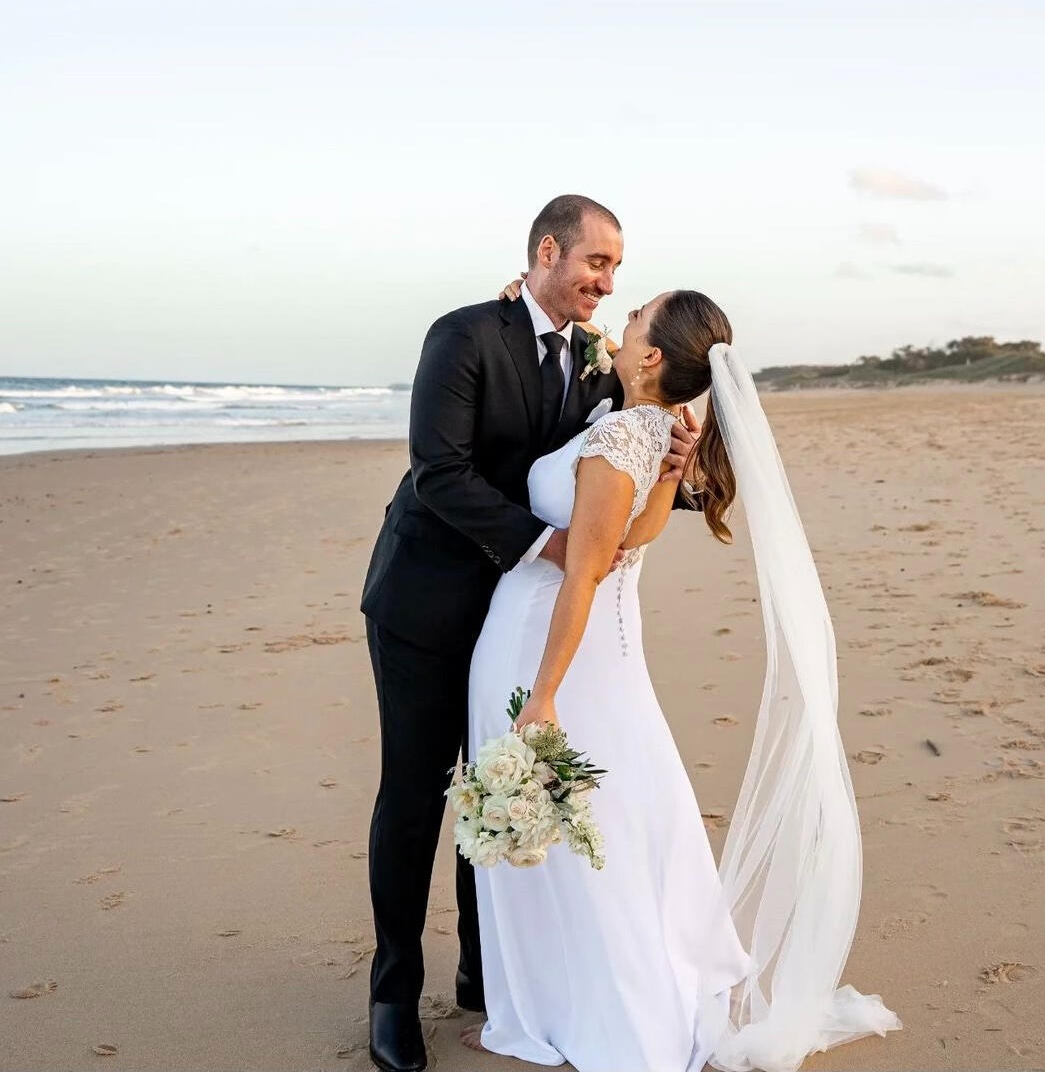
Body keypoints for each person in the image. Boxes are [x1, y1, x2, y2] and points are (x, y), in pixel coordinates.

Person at [459, 290, 902, 1072]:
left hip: (552, 647)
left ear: (654, 356)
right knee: (619, 820)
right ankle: (585, 991)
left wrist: (545, 692)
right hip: (599, 653)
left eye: (634, 319)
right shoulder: (651, 431)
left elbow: (585, 575)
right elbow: (638, 538)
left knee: (594, 829)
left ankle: (593, 1007)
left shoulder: (627, 434)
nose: (622, 322)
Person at [359, 195, 702, 1072]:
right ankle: (394, 992)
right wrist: (552, 548)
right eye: (596, 261)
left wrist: (676, 461)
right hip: (429, 604)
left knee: (500, 783)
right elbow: (437, 470)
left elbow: (605, 465)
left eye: (618, 270)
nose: (606, 281)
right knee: (417, 794)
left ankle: (486, 973)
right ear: (546, 251)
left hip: (512, 619)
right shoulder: (465, 334)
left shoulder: (598, 367)